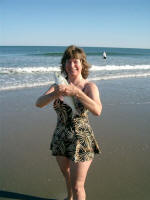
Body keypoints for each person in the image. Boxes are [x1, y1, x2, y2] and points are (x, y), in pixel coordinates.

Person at [36, 45, 102, 200]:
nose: (71, 65)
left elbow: (97, 110)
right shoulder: (58, 85)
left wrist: (77, 93)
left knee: (78, 186)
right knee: (67, 177)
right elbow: (38, 103)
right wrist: (56, 93)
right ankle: (69, 198)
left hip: (81, 139)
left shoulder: (89, 86)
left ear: (82, 64)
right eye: (68, 61)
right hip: (60, 137)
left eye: (75, 61)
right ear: (63, 64)